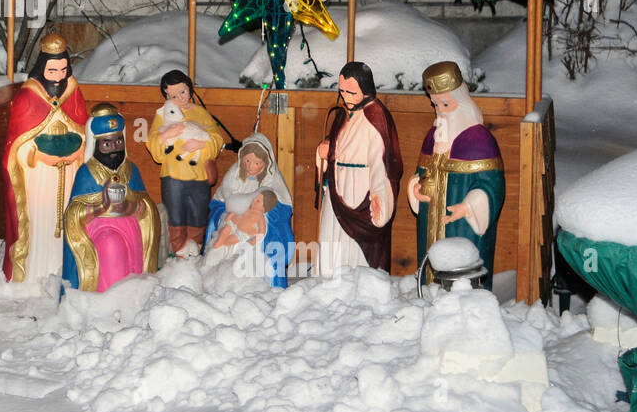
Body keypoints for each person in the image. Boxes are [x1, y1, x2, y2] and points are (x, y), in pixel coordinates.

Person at [1, 32, 89, 287]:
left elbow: (84, 129)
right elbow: (16, 144)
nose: (60, 77)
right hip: (38, 176)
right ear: (42, 69)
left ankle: (66, 271)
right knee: (41, 221)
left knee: (66, 219)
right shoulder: (28, 97)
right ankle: (36, 273)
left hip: (70, 170)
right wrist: (37, 155)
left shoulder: (73, 91)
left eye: (63, 69)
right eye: (53, 71)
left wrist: (78, 150)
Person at [409, 60, 505, 289]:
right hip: (431, 221)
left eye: (445, 104)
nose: (440, 112)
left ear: (461, 103)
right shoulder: (433, 137)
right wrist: (415, 187)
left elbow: (492, 186)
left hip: (462, 227)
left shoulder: (480, 140)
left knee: (462, 275)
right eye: (435, 105)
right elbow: (419, 172)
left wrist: (470, 206)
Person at [315, 61, 403, 275]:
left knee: (352, 247)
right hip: (338, 186)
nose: (345, 97)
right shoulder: (344, 112)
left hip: (360, 188)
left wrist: (379, 192)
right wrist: (325, 150)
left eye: (351, 92)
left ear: (365, 89)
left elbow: (382, 161)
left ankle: (356, 284)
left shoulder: (377, 116)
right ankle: (327, 279)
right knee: (331, 237)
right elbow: (338, 141)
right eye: (342, 91)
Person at [61, 103, 160, 293]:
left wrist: (130, 203)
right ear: (96, 145)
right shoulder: (87, 173)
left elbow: (146, 206)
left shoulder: (131, 170)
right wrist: (102, 206)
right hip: (98, 228)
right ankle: (107, 301)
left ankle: (132, 298)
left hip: (130, 226)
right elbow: (74, 213)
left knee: (132, 253)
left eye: (119, 142)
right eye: (107, 143)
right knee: (110, 246)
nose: (115, 148)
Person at [147, 69, 225, 258]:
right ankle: (178, 251)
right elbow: (154, 146)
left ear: (189, 90)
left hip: (199, 175)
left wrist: (202, 144)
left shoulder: (201, 113)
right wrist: (165, 135)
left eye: (182, 92)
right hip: (173, 175)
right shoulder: (163, 115)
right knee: (175, 214)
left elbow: (217, 139)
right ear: (167, 96)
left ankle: (195, 247)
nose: (179, 97)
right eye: (173, 95)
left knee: (198, 213)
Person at [205, 132, 295, 287]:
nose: (251, 167)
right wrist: (228, 216)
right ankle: (217, 277)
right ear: (241, 159)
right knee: (222, 239)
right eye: (247, 161)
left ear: (266, 163)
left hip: (252, 231)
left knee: (250, 250)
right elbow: (218, 203)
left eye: (257, 163)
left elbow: (280, 210)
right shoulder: (233, 177)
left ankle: (251, 281)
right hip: (232, 223)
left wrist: (260, 217)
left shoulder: (272, 183)